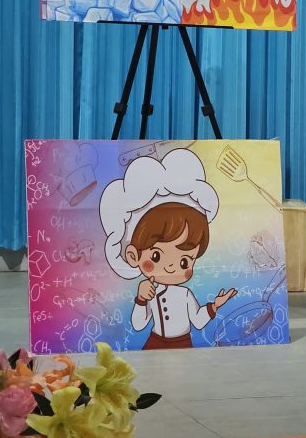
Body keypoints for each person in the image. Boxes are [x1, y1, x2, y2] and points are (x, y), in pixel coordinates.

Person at [100, 148, 236, 350]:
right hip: (154, 343)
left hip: (184, 343)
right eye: (156, 256)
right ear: (133, 256)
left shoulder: (185, 295)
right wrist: (141, 300)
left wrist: (215, 305)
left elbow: (198, 321)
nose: (172, 267)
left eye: (185, 261)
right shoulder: (150, 293)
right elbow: (138, 324)